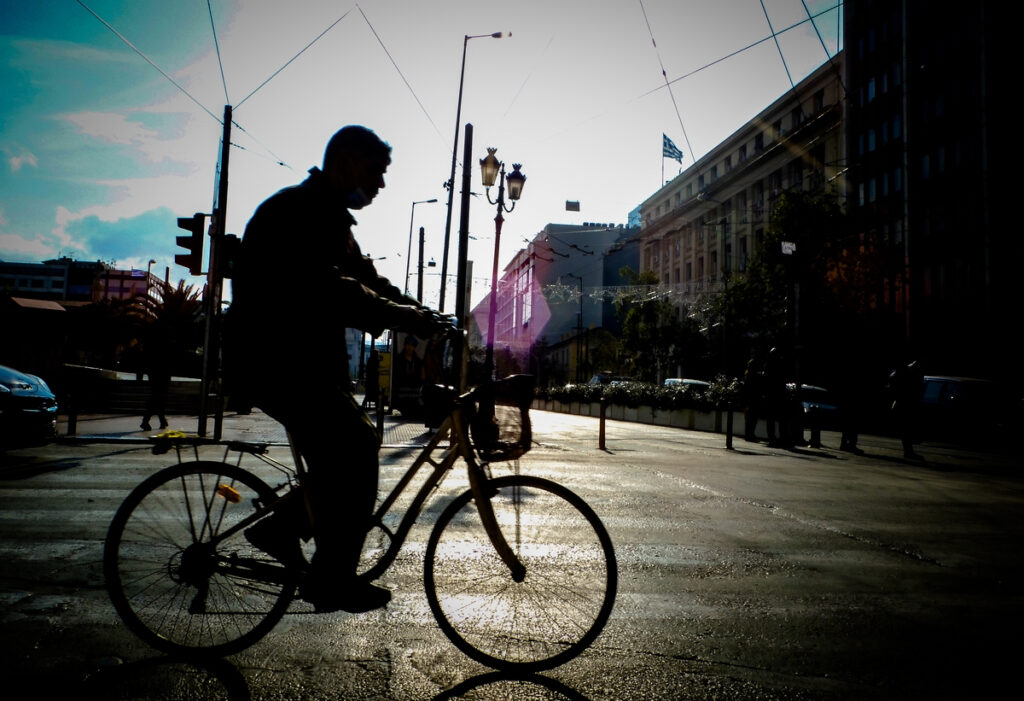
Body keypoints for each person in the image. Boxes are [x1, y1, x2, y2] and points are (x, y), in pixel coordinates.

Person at [223, 125, 440, 613]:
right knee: (358, 445)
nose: (380, 185)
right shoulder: (298, 210)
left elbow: (368, 281)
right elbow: (330, 287)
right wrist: (404, 317)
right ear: (344, 162)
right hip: (274, 359)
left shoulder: (331, 219)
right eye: (375, 172)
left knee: (341, 453)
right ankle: (332, 577)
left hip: (298, 362)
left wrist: (424, 315)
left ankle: (280, 528)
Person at [889, 359, 924, 460]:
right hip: (904, 403)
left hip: (903, 403)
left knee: (907, 429)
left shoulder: (900, 374)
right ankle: (908, 452)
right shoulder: (905, 374)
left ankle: (909, 451)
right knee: (907, 429)